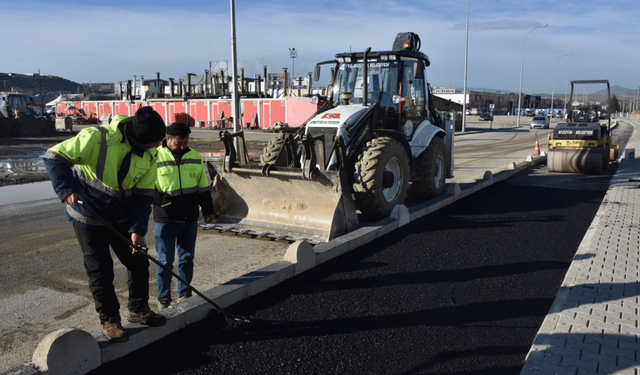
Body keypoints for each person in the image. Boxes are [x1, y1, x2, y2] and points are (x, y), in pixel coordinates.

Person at [43, 106, 168, 343]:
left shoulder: (151, 153)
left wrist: (137, 230)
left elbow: (142, 196)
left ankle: (139, 310)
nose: (156, 147)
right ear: (137, 139)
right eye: (153, 143)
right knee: (100, 270)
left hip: (121, 217)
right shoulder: (96, 138)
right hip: (88, 215)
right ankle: (110, 320)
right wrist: (66, 189)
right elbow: (53, 156)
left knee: (138, 260)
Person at [153, 122, 216, 310]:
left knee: (187, 258)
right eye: (179, 143)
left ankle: (184, 292)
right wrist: (160, 201)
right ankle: (164, 299)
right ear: (168, 139)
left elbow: (203, 187)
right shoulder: (154, 156)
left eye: (185, 143)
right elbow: (145, 185)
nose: (183, 146)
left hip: (189, 217)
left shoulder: (195, 157)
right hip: (166, 218)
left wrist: (208, 211)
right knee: (164, 261)